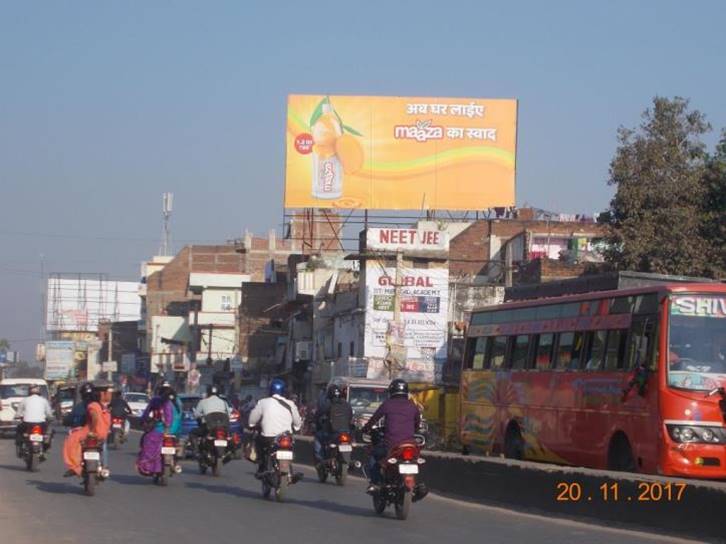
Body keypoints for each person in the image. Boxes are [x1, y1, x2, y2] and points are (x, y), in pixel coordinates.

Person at [361, 378, 421, 493]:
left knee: (374, 457)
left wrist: (365, 429)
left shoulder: (387, 404)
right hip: (410, 444)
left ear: (392, 391)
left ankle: (375, 483)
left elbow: (374, 419)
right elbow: (417, 423)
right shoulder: (412, 406)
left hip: (391, 445)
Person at [247, 378, 302, 478]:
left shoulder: (263, 402)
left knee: (259, 442)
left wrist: (251, 425)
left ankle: (261, 465)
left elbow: (252, 419)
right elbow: (298, 422)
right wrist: (296, 427)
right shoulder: (290, 404)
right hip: (286, 437)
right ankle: (290, 471)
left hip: (268, 438)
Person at [62, 383, 112, 477]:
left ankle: (75, 466)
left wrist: (92, 430)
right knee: (103, 444)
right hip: (99, 432)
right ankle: (104, 467)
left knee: (71, 441)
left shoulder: (90, 406)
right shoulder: (101, 406)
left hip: (92, 432)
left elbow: (95, 417)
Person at [136, 382, 175, 476]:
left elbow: (146, 413)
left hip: (156, 430)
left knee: (146, 442)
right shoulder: (171, 404)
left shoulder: (155, 400)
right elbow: (171, 419)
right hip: (170, 430)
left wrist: (143, 421)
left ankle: (149, 467)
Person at [313, 384, 353, 465]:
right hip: (346, 432)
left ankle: (320, 459)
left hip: (332, 433)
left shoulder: (328, 405)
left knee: (318, 436)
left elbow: (318, 415)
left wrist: (315, 421)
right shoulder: (347, 405)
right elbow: (350, 417)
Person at [15, 384, 53, 456]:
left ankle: (19, 447)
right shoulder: (44, 400)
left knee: (19, 430)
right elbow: (49, 414)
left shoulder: (24, 400)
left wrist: (17, 416)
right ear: (39, 392)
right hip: (41, 424)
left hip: (27, 424)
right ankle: (46, 447)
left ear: (29, 391)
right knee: (48, 432)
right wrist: (50, 418)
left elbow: (18, 413)